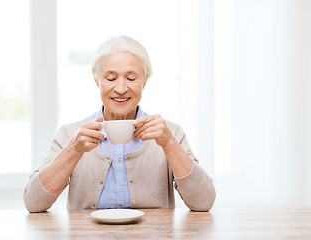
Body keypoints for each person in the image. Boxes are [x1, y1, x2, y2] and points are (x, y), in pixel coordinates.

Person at [23, 35, 216, 212]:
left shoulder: (169, 133)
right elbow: (33, 203)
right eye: (111, 78)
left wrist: (170, 144)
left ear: (144, 81)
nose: (121, 88)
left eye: (131, 78)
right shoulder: (70, 134)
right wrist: (73, 151)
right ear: (96, 79)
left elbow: (204, 203)